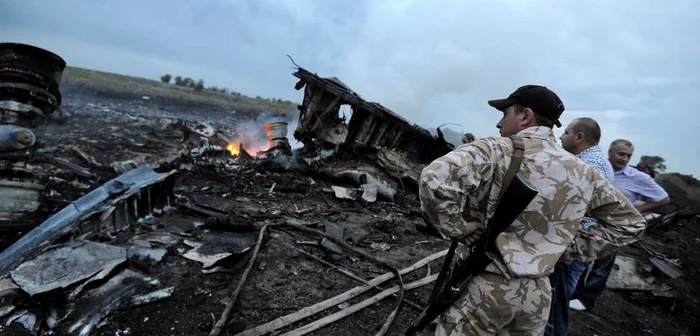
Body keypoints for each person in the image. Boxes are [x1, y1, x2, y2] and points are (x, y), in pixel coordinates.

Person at [419, 84, 646, 336]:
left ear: (525, 116)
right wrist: (566, 248)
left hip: (486, 286)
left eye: (505, 114)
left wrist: (457, 227)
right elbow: (631, 224)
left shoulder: (497, 150)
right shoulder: (584, 172)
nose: (498, 123)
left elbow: (434, 179)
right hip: (538, 296)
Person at [570, 139, 670, 311]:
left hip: (613, 228)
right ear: (609, 152)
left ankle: (587, 300)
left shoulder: (637, 178)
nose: (624, 159)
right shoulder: (598, 168)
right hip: (588, 223)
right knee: (580, 259)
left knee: (602, 265)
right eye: (620, 154)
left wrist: (636, 210)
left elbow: (663, 198)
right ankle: (573, 294)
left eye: (628, 156)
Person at [545, 117, 615, 336]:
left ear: (579, 137)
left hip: (570, 243)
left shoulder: (588, 166)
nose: (561, 136)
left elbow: (572, 208)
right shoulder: (595, 162)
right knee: (555, 300)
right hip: (576, 240)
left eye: (565, 132)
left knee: (555, 304)